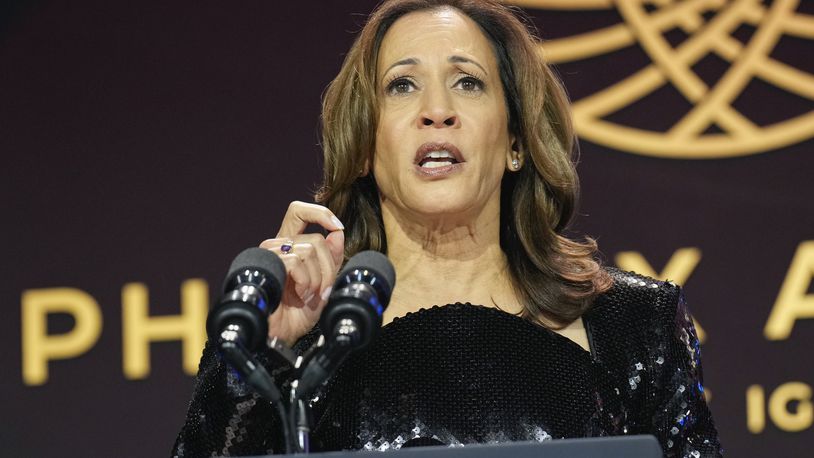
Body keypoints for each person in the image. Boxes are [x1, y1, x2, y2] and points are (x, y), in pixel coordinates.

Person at [172, 0, 722, 456]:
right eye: (402, 86)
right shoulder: (304, 345)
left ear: (515, 143)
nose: (437, 110)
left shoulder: (633, 325)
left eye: (468, 82)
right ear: (365, 144)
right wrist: (263, 356)